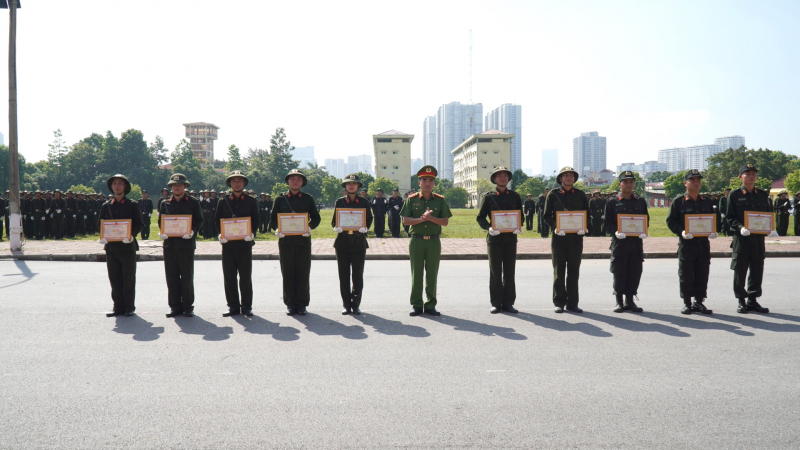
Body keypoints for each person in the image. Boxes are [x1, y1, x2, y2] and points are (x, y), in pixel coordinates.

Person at [725, 163, 778, 314]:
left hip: (758, 240)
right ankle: (741, 300)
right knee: (740, 270)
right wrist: (741, 227)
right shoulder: (734, 195)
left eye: (754, 173)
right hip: (741, 239)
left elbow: (769, 215)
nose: (751, 175)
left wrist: (770, 229)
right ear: (740, 176)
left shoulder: (762, 195)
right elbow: (730, 218)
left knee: (757, 269)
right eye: (747, 173)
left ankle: (752, 300)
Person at [401, 166, 452, 316]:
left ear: (434, 183)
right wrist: (420, 219)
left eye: (430, 180)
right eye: (424, 180)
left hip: (433, 241)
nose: (427, 183)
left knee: (432, 274)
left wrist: (430, 218)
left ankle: (430, 305)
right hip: (416, 241)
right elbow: (405, 221)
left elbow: (445, 222)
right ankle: (416, 304)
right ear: (419, 183)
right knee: (416, 274)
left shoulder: (440, 200)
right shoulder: (412, 200)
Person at [270, 169, 321, 316]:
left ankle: (302, 304)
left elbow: (316, 218)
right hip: (285, 242)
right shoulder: (279, 199)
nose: (295, 181)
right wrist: (277, 229)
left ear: (302, 182)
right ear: (287, 181)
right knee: (287, 272)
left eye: (299, 178)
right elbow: (273, 219)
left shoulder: (308, 198)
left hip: (303, 241)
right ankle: (290, 304)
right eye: (292, 178)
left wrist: (310, 227)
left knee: (303, 273)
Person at [666, 169, 717, 314]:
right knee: (686, 274)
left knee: (702, 273)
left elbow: (713, 219)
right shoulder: (679, 201)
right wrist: (681, 231)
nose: (696, 183)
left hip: (703, 244)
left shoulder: (706, 201)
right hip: (687, 244)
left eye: (698, 180)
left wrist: (713, 230)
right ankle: (687, 302)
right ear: (685, 183)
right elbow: (671, 221)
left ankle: (699, 302)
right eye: (692, 180)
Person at [476, 166, 523, 314]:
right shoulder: (488, 197)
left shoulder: (515, 196)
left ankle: (509, 303)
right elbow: (480, 217)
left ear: (508, 178)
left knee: (509, 271)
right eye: (499, 175)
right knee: (495, 272)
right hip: (494, 239)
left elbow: (521, 216)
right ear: (494, 179)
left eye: (505, 175)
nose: (502, 177)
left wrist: (519, 226)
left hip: (510, 238)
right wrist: (489, 227)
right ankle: (496, 303)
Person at [543, 166, 589, 313]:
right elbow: (546, 216)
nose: (569, 177)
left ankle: (572, 303)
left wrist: (585, 227)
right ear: (561, 178)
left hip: (576, 238)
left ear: (575, 178)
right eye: (566, 175)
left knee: (574, 271)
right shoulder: (553, 194)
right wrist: (556, 227)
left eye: (571, 175)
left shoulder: (581, 195)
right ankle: (559, 302)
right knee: (559, 270)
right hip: (559, 238)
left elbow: (587, 215)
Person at [98, 174, 145, 317]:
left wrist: (131, 235)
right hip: (111, 247)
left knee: (128, 278)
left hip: (127, 247)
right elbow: (100, 223)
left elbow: (139, 223)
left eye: (120, 183)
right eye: (114, 183)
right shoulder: (106, 206)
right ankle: (117, 307)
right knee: (114, 278)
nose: (116, 186)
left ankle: (129, 307)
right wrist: (103, 236)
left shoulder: (132, 205)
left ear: (125, 187)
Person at [159, 173, 204, 318]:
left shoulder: (193, 202)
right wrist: (163, 232)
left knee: (186, 276)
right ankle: (174, 306)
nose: (177, 187)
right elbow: (161, 221)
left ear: (185, 186)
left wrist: (192, 231)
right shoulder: (165, 203)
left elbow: (199, 220)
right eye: (174, 185)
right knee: (171, 277)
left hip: (186, 244)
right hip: (170, 245)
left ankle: (188, 306)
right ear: (170, 187)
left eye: (180, 185)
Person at [604, 171, 649, 313]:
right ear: (620, 184)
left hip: (635, 243)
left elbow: (645, 219)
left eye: (631, 182)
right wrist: (615, 232)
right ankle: (619, 301)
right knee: (619, 271)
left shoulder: (640, 200)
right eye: (626, 182)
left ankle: (630, 300)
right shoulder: (612, 201)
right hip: (620, 243)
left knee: (634, 271)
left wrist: (643, 230)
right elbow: (607, 223)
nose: (629, 184)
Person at [215, 170, 259, 317]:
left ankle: (247, 306)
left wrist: (252, 233)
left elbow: (256, 220)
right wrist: (221, 234)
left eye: (240, 180)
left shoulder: (251, 201)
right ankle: (233, 306)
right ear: (230, 184)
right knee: (229, 276)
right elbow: (217, 220)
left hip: (245, 244)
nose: (237, 183)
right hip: (228, 245)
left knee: (245, 276)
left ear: (244, 183)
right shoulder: (223, 201)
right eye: (234, 181)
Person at [332, 174, 374, 314]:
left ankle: (355, 304)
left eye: (354, 184)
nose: (351, 186)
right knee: (343, 276)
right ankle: (346, 304)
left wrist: (365, 228)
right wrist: (336, 227)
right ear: (345, 186)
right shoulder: (339, 202)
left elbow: (368, 219)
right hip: (342, 242)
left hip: (358, 242)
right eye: (349, 183)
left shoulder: (364, 202)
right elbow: (334, 221)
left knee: (357, 276)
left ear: (358, 186)